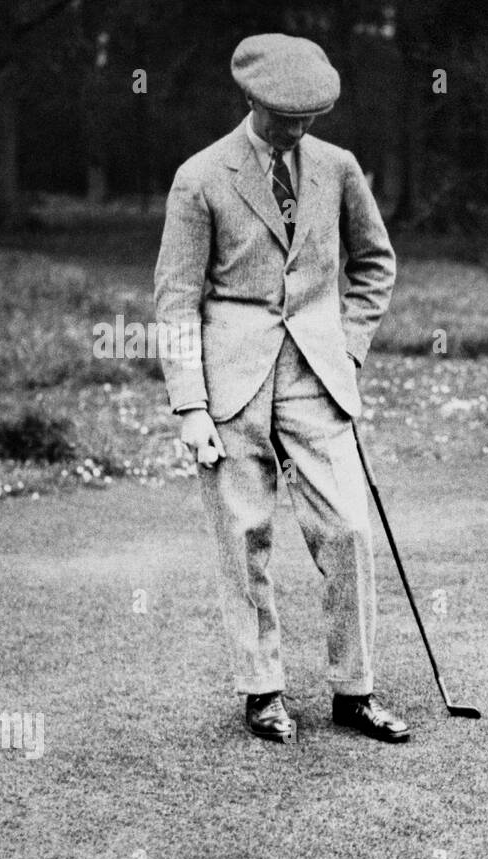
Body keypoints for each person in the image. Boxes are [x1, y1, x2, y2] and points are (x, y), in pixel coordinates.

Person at [155, 33, 408, 745]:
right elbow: (175, 301)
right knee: (244, 537)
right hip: (231, 381)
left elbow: (375, 264)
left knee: (351, 529)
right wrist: (190, 406)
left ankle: (354, 691)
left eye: (310, 117)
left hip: (318, 376)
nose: (297, 130)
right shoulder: (200, 177)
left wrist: (349, 351)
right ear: (251, 100)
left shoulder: (338, 167)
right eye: (284, 116)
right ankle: (263, 690)